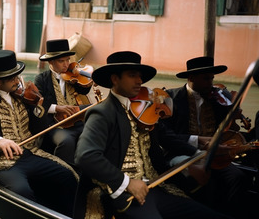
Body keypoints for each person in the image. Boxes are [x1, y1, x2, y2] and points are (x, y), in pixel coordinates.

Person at [74, 51, 229, 219]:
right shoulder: (103, 113)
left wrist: (197, 157)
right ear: (115, 79)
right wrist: (127, 182)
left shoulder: (146, 109)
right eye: (132, 75)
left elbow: (167, 138)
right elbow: (85, 155)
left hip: (156, 186)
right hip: (122, 193)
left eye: (140, 76)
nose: (139, 81)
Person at [0, 50, 78, 217]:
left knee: (68, 175)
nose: (17, 81)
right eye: (12, 78)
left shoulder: (24, 98)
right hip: (2, 162)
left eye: (17, 76)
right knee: (21, 192)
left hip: (30, 153)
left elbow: (39, 129)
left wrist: (38, 105)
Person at [159, 56, 253, 218]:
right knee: (204, 182)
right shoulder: (170, 98)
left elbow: (230, 128)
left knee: (239, 178)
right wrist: (198, 141)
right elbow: (167, 136)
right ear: (191, 78)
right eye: (206, 79)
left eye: (212, 78)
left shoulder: (218, 99)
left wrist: (233, 115)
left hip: (215, 155)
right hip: (182, 154)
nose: (210, 83)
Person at [35, 39, 92, 167]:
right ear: (51, 61)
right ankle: (65, 171)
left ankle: (88, 170)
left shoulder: (73, 76)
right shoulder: (41, 79)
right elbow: (37, 104)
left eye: (67, 60)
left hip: (76, 121)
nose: (66, 64)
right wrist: (57, 108)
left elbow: (85, 88)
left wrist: (86, 78)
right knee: (66, 141)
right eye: (61, 61)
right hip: (54, 125)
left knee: (94, 134)